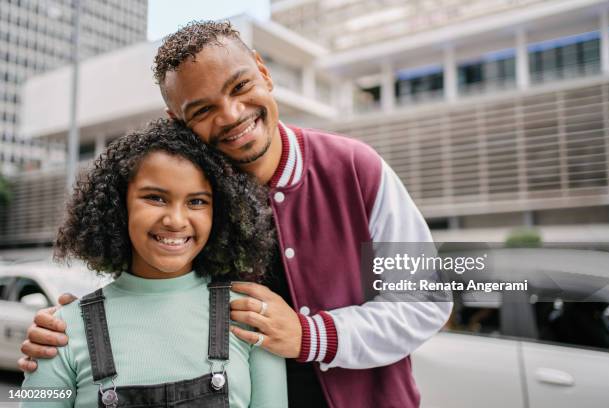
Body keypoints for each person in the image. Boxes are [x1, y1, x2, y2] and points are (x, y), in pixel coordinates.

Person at [20, 21, 452, 407]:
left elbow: (426, 301)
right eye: (203, 109)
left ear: (263, 72)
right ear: (178, 120)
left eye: (240, 86)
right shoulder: (199, 199)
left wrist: (310, 336)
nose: (231, 115)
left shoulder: (357, 167)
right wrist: (83, 329)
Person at [20, 119, 287, 407]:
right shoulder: (59, 331)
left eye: (197, 201)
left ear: (220, 211)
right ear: (119, 205)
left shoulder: (250, 317)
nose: (175, 220)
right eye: (155, 198)